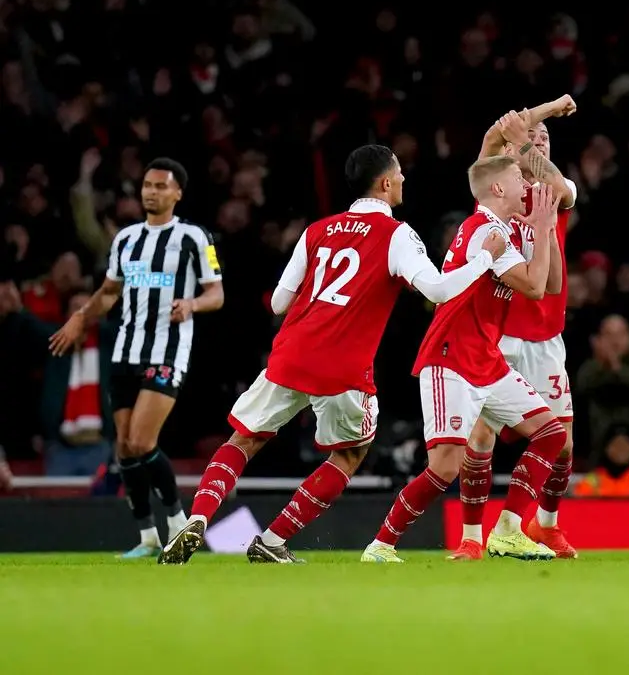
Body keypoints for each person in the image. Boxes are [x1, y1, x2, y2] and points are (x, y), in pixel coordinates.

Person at [158, 145, 505, 564]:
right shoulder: (397, 234)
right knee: (350, 453)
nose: (405, 181)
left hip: (290, 354)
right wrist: (486, 258)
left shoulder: (318, 229)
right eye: (400, 174)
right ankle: (271, 540)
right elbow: (438, 291)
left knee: (243, 440)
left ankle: (197, 518)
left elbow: (279, 304)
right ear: (386, 182)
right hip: (341, 368)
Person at [362, 157, 568, 563]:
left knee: (552, 434)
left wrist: (547, 232)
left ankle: (508, 530)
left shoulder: (505, 232)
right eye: (515, 177)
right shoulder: (484, 231)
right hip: (451, 360)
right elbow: (532, 286)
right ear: (497, 189)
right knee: (444, 468)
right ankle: (381, 544)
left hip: (487, 360)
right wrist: (543, 230)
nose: (523, 182)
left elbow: (552, 284)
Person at [49, 158, 225, 559]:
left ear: (177, 193)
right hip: (126, 351)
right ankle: (147, 536)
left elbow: (217, 293)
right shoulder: (126, 239)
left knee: (143, 440)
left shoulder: (194, 238)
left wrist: (192, 304)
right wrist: (80, 318)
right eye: (147, 185)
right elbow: (110, 292)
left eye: (161, 186)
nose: (152, 192)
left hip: (167, 350)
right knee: (125, 448)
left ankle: (179, 523)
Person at [452, 97, 582, 561]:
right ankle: (471, 536)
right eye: (533, 139)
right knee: (481, 437)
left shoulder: (559, 187)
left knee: (563, 446)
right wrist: (528, 122)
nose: (539, 142)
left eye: (546, 139)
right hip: (499, 334)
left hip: (546, 336)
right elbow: (490, 145)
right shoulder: (497, 192)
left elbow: (546, 173)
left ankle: (542, 525)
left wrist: (527, 131)